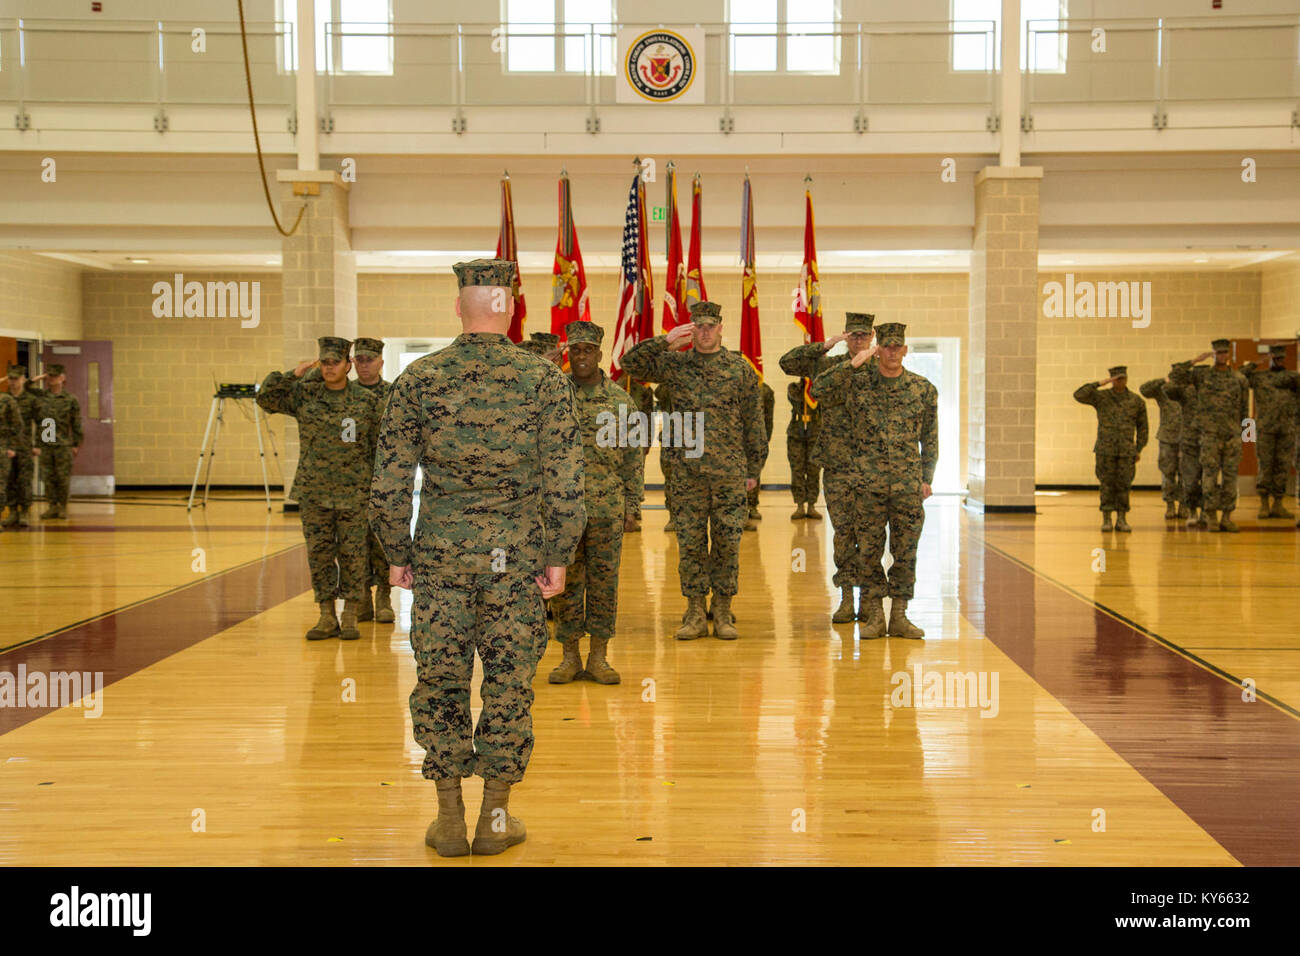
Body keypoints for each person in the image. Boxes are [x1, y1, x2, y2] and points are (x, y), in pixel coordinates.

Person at [370, 259, 585, 858]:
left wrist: (397, 552)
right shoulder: (543, 380)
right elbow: (566, 480)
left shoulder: (419, 377)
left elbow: (388, 484)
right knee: (509, 683)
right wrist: (559, 555)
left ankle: (446, 820)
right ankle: (494, 818)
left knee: (440, 680)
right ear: (509, 307)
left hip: (440, 559)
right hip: (515, 561)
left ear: (458, 309)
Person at [621, 299, 765, 641]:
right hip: (686, 473)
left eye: (709, 326)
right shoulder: (675, 364)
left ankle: (724, 610)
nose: (704, 332)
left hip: (729, 471)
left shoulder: (739, 368)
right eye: (698, 326)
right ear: (691, 329)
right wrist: (665, 341)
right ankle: (696, 611)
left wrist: (754, 467)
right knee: (691, 543)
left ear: (720, 328)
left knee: (728, 542)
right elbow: (630, 364)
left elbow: (753, 419)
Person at [812, 323, 937, 638]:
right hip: (867, 485)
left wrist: (927, 477)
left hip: (907, 486)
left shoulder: (922, 388)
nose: (893, 352)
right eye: (887, 346)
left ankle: (900, 616)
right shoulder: (858, 383)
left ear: (905, 350)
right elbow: (819, 389)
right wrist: (853, 362)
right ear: (878, 348)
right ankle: (876, 616)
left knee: (906, 551)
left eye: (898, 346)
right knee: (869, 551)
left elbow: (930, 438)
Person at [257, 337, 382, 641]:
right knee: (320, 554)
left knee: (353, 553)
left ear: (348, 365)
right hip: (314, 491)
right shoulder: (305, 396)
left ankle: (351, 613)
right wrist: (295, 374)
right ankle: (326, 615)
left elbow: (379, 446)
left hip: (354, 491)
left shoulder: (366, 402)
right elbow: (266, 398)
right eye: (324, 362)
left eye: (335, 362)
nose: (328, 368)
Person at [548, 320, 642, 685]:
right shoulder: (554, 396)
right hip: (562, 509)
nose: (582, 356)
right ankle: (569, 656)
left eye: (588, 350)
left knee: (604, 583)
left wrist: (632, 506)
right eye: (575, 350)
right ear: (567, 353)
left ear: (600, 354)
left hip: (606, 509)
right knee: (565, 583)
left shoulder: (620, 400)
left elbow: (634, 456)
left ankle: (599, 657)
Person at [779, 313, 875, 622]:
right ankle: (847, 598)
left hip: (874, 466)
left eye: (863, 335)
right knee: (844, 534)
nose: (858, 340)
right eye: (853, 335)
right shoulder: (828, 365)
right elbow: (787, 363)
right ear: (847, 336)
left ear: (872, 336)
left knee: (872, 535)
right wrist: (823, 346)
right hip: (837, 464)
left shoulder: (882, 370)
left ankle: (870, 601)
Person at [1172, 340, 1249, 532]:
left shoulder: (1239, 379)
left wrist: (1246, 436)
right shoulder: (1201, 375)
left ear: (1229, 354)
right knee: (1209, 477)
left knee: (1230, 478)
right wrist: (1194, 361)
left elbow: (1245, 409)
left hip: (1232, 436)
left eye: (1224, 352)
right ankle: (1211, 515)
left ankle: (1227, 517)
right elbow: (1175, 376)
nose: (1221, 356)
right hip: (1209, 436)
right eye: (1218, 352)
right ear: (1213, 353)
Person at [350, 337, 396, 624]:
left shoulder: (393, 393)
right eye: (360, 360)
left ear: (380, 361)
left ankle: (384, 598)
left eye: (370, 360)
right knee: (355, 544)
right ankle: (362, 598)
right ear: (352, 363)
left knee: (383, 540)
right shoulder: (346, 393)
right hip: (351, 483)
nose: (365, 365)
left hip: (384, 482)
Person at [1073, 366, 1148, 532]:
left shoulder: (1136, 401)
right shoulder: (1101, 397)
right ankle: (1106, 518)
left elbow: (1143, 427)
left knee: (1124, 485)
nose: (1120, 381)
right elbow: (1078, 395)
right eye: (1116, 378)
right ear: (1111, 380)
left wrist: (1138, 448)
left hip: (1126, 450)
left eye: (1122, 378)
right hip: (1105, 449)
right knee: (1106, 484)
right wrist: (1100, 383)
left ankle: (1122, 518)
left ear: (1127, 379)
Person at [1241, 344, 1300, 519]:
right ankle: (1264, 504)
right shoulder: (1259, 377)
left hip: (1286, 430)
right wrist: (1255, 363)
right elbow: (1238, 376)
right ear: (1270, 358)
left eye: (1281, 358)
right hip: (1265, 429)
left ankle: (1278, 504)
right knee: (1265, 466)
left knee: (1282, 467)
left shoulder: (1293, 378)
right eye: (1275, 358)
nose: (1278, 361)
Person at [31, 364, 83, 519]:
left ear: (63, 378)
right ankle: (52, 506)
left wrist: (75, 444)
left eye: (55, 376)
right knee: (48, 478)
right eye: (50, 376)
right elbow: (26, 386)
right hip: (46, 443)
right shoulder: (41, 396)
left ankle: (62, 507)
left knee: (62, 477)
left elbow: (76, 423)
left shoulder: (70, 399)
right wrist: (39, 377)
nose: (51, 379)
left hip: (63, 444)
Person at [1164, 359, 1208, 527]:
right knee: (1190, 480)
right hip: (1190, 440)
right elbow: (1167, 387)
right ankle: (1192, 511)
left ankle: (1205, 511)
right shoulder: (1184, 391)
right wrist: (1191, 363)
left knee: (1208, 479)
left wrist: (1247, 436)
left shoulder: (1212, 392)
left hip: (1209, 440)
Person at [1139, 369, 1184, 520]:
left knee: (1187, 474)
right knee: (1167, 473)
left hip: (1187, 439)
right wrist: (1163, 380)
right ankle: (1170, 505)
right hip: (1167, 437)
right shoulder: (1164, 390)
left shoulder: (1191, 390)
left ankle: (1184, 505)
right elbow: (1144, 390)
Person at [2, 366, 41, 528]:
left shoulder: (32, 399)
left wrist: (40, 444)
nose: (13, 383)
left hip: (25, 447)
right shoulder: (3, 399)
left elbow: (46, 422)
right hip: (6, 447)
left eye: (16, 379)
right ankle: (12, 512)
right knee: (9, 479)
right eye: (10, 379)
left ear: (23, 380)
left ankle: (24, 511)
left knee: (24, 480)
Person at [621, 377, 654, 532]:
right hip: (617, 440)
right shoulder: (614, 386)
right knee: (620, 477)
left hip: (638, 438)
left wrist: (648, 440)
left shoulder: (644, 390)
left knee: (636, 476)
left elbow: (648, 416)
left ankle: (634, 510)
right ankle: (623, 511)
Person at [786, 379, 822, 520]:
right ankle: (800, 505)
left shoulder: (819, 388)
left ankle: (812, 505)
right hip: (796, 433)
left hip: (815, 433)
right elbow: (794, 398)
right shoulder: (794, 387)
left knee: (813, 470)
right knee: (797, 470)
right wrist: (805, 385)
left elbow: (821, 400)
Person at [745, 381, 775, 531]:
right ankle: (741, 511)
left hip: (756, 435)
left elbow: (768, 416)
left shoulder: (765, 390)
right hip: (737, 435)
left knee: (753, 471)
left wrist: (766, 437)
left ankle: (752, 506)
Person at [0, 388, 22, 532]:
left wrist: (13, 447)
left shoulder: (6, 400)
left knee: (0, 485)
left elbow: (17, 425)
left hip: (2, 448)